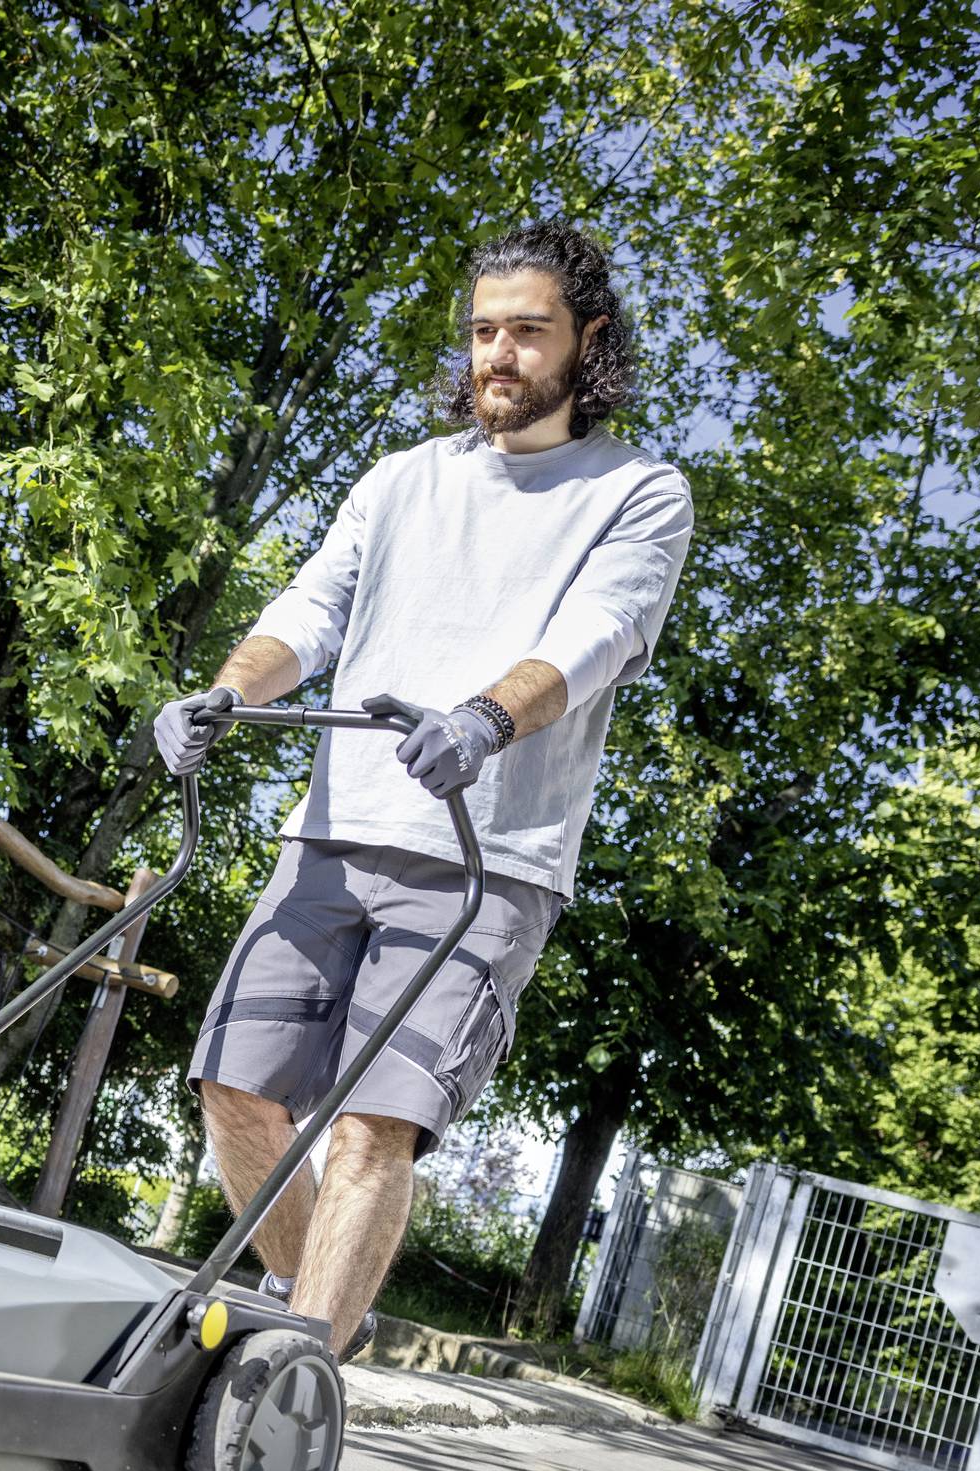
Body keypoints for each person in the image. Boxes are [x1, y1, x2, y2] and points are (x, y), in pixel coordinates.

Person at [153, 220, 694, 1356]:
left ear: (587, 341)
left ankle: (291, 1368)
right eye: (485, 331)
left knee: (368, 1129)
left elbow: (598, 638)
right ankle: (311, 1343)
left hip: (488, 861)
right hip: (333, 836)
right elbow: (309, 613)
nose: (499, 354)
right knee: (234, 1094)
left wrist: (487, 717)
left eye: (528, 332)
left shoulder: (637, 491)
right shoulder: (402, 481)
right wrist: (224, 696)